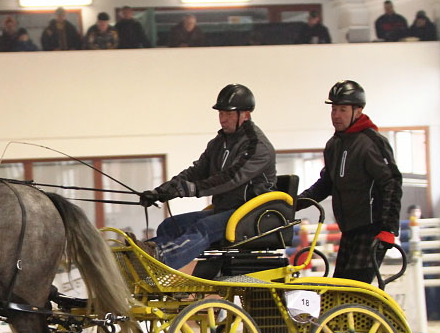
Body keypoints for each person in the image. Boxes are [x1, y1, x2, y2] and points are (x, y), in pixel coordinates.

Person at [140, 84, 276, 270]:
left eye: (228, 114)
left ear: (245, 114)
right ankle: (147, 258)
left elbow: (230, 178)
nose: (222, 119)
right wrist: (162, 191)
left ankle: (157, 262)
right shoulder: (219, 142)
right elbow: (196, 171)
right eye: (220, 114)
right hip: (226, 210)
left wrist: (193, 189)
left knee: (203, 228)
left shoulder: (257, 146)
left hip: (250, 214)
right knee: (170, 226)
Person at [297, 81, 402, 283]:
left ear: (358, 111)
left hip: (372, 230)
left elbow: (392, 182)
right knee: (341, 290)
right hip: (349, 231)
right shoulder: (334, 144)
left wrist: (389, 229)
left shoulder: (372, 142)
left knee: (355, 292)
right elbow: (326, 184)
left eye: (342, 110)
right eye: (333, 109)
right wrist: (294, 203)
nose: (336, 115)